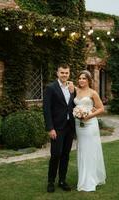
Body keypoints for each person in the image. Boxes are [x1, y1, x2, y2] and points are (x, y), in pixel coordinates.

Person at [43, 64, 75, 193]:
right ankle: (51, 181)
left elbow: (73, 104)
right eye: (62, 72)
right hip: (57, 128)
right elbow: (46, 110)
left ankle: (62, 180)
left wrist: (74, 92)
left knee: (66, 155)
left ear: (69, 74)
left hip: (69, 127)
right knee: (56, 154)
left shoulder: (71, 88)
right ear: (57, 73)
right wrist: (50, 128)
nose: (64, 75)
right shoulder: (51, 88)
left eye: (66, 73)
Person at [73, 70, 106, 192]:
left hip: (90, 124)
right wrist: (78, 114)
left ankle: (91, 179)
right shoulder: (76, 90)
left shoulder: (93, 93)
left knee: (90, 150)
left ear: (89, 80)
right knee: (82, 149)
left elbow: (101, 109)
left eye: (84, 78)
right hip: (79, 124)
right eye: (80, 78)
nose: (81, 80)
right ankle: (83, 177)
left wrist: (88, 116)